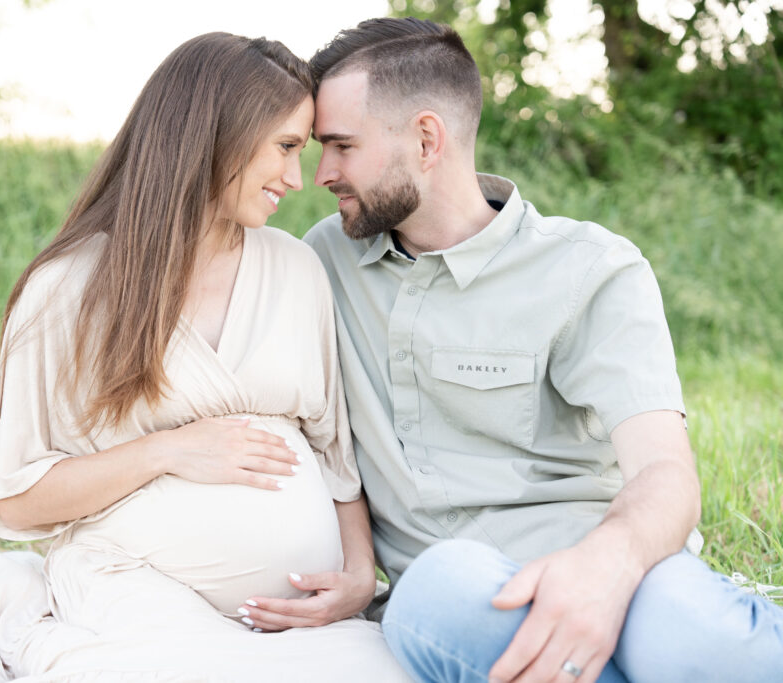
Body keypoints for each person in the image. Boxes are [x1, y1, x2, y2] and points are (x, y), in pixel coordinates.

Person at [0, 32, 409, 682]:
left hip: (293, 613)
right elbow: (17, 500)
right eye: (286, 147)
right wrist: (169, 450)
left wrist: (357, 575)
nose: (298, 180)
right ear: (216, 135)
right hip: (130, 586)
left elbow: (333, 458)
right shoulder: (67, 290)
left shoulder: (296, 269)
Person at [296, 16, 783, 683]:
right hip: (466, 598)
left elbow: (664, 474)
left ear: (427, 139)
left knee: (697, 638)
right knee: (436, 585)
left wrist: (601, 573)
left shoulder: (592, 270)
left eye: (341, 146)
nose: (321, 171)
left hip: (619, 567)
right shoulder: (320, 261)